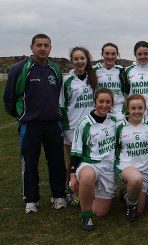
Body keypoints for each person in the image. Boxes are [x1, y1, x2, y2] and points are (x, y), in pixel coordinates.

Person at [3, 33, 67, 213]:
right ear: (32, 47)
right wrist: (21, 115)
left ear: (50, 48)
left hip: (53, 124)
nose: (42, 48)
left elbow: (57, 95)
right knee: (30, 163)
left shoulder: (54, 69)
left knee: (57, 162)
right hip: (30, 125)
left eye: (46, 45)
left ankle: (58, 196)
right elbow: (9, 98)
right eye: (39, 45)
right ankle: (31, 200)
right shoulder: (20, 68)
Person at [69, 88, 118, 231]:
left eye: (108, 102)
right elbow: (75, 152)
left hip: (108, 168)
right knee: (87, 176)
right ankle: (86, 215)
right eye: (101, 101)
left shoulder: (115, 120)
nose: (104, 105)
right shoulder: (84, 123)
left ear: (112, 104)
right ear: (94, 102)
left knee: (100, 212)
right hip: (90, 163)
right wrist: (72, 175)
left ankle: (87, 194)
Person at [59, 47, 97, 205]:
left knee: (90, 157)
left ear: (87, 59)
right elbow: (61, 105)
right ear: (71, 61)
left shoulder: (92, 78)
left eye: (82, 58)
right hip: (73, 127)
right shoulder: (66, 80)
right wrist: (65, 127)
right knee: (73, 160)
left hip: (91, 125)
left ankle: (89, 188)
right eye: (76, 59)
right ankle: (71, 190)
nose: (79, 61)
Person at [115, 94, 148, 222]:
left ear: (145, 109)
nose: (137, 111)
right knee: (135, 179)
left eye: (140, 108)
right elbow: (115, 147)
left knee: (140, 210)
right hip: (126, 166)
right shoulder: (119, 126)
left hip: (144, 169)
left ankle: (127, 194)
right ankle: (130, 206)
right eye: (133, 108)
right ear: (127, 109)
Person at [124, 41, 148, 121]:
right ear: (135, 54)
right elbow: (126, 90)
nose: (142, 56)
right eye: (139, 54)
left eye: (145, 53)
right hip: (134, 111)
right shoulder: (128, 70)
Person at [93, 43, 125, 117]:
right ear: (102, 54)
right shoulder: (94, 70)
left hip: (118, 110)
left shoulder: (121, 70)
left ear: (117, 55)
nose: (110, 57)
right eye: (107, 54)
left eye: (113, 54)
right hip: (101, 110)